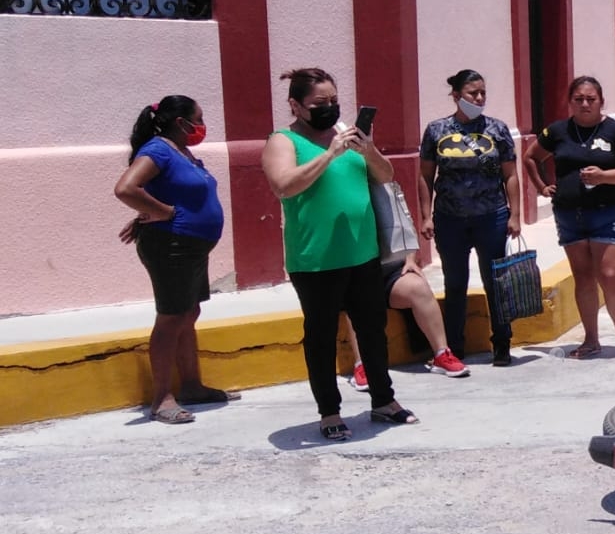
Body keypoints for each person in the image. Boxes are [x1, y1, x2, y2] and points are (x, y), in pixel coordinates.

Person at [262, 67, 417, 440]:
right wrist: (330, 154)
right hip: (315, 259)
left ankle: (384, 400)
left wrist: (369, 149)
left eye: (334, 100)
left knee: (372, 330)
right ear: (296, 105)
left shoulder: (347, 133)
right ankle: (329, 411)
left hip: (361, 254)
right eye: (320, 103)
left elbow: (385, 174)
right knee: (320, 335)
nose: (330, 108)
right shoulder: (283, 141)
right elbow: (284, 186)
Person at [113, 95, 234, 424]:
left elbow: (174, 192)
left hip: (191, 246)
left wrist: (147, 213)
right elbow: (126, 188)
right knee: (171, 318)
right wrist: (164, 213)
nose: (202, 125)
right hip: (171, 247)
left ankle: (192, 386)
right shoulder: (158, 150)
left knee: (189, 312)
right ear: (181, 122)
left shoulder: (183, 153)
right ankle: (162, 398)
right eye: (199, 118)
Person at [523, 77, 615, 363]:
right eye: (578, 98)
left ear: (601, 101)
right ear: (570, 101)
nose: (585, 104)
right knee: (583, 276)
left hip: (607, 211)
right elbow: (530, 157)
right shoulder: (557, 131)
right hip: (568, 213)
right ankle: (591, 339)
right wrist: (542, 187)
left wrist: (603, 177)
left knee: (611, 276)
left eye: (591, 98)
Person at [419, 69, 523, 367]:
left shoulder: (497, 129)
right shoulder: (436, 131)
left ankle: (502, 343)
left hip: (491, 217)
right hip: (450, 219)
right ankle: (454, 346)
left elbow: (511, 175)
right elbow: (425, 176)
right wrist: (427, 216)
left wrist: (515, 215)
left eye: (482, 93)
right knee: (455, 283)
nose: (478, 98)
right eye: (472, 93)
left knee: (495, 282)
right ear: (456, 96)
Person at [346, 247, 470, 392]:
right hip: (354, 272)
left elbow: (406, 227)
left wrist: (410, 259)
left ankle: (442, 354)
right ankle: (362, 365)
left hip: (389, 271)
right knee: (355, 298)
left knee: (419, 287)